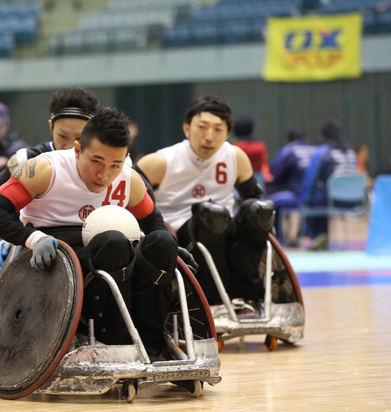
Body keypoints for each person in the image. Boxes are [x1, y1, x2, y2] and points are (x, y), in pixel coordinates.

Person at [0, 107, 196, 360]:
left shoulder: (129, 179)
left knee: (163, 242)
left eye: (115, 164)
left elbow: (154, 221)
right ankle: (116, 343)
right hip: (56, 253)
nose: (104, 175)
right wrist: (32, 238)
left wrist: (169, 251)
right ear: (78, 150)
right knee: (114, 242)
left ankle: (152, 345)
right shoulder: (45, 170)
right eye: (96, 162)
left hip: (114, 249)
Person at [136, 95, 274, 306]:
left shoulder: (235, 156)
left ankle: (248, 296)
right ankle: (214, 301)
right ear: (187, 129)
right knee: (213, 216)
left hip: (226, 228)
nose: (209, 136)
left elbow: (256, 198)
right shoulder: (160, 161)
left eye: (218, 129)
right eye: (202, 127)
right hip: (181, 234)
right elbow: (130, 196)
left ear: (228, 133)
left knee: (260, 210)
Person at [0, 86, 101, 200]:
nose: (70, 147)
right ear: (51, 127)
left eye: (79, 138)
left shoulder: (105, 165)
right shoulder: (26, 160)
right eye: (63, 136)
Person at [300, 121, 358, 250]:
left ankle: (317, 237)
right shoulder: (351, 151)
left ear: (323, 136)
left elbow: (311, 178)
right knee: (323, 196)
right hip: (352, 202)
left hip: (331, 201)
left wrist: (305, 200)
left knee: (313, 199)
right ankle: (322, 238)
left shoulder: (323, 151)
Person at [268, 127, 317, 246]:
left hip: (298, 196)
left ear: (288, 140)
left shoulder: (288, 149)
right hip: (318, 197)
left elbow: (275, 173)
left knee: (270, 203)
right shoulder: (316, 149)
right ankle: (310, 235)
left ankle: (278, 240)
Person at [232, 116, 271, 188]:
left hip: (237, 183)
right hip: (257, 183)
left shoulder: (234, 147)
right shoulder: (260, 146)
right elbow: (264, 164)